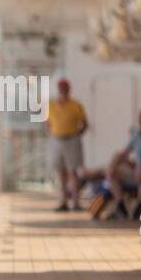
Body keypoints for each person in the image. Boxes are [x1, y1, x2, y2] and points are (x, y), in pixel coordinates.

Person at [100, 108, 141, 219]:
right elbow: (125, 152)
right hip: (137, 172)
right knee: (112, 171)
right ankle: (120, 203)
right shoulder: (137, 134)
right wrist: (114, 164)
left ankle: (139, 207)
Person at [45, 78, 87, 211]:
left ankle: (75, 202)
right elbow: (47, 123)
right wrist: (52, 133)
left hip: (72, 140)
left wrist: (75, 135)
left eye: (65, 89)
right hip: (56, 140)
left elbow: (84, 124)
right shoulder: (51, 106)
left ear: (69, 90)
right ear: (58, 91)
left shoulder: (76, 105)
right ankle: (63, 201)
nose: (63, 92)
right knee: (60, 173)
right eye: (61, 89)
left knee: (72, 172)